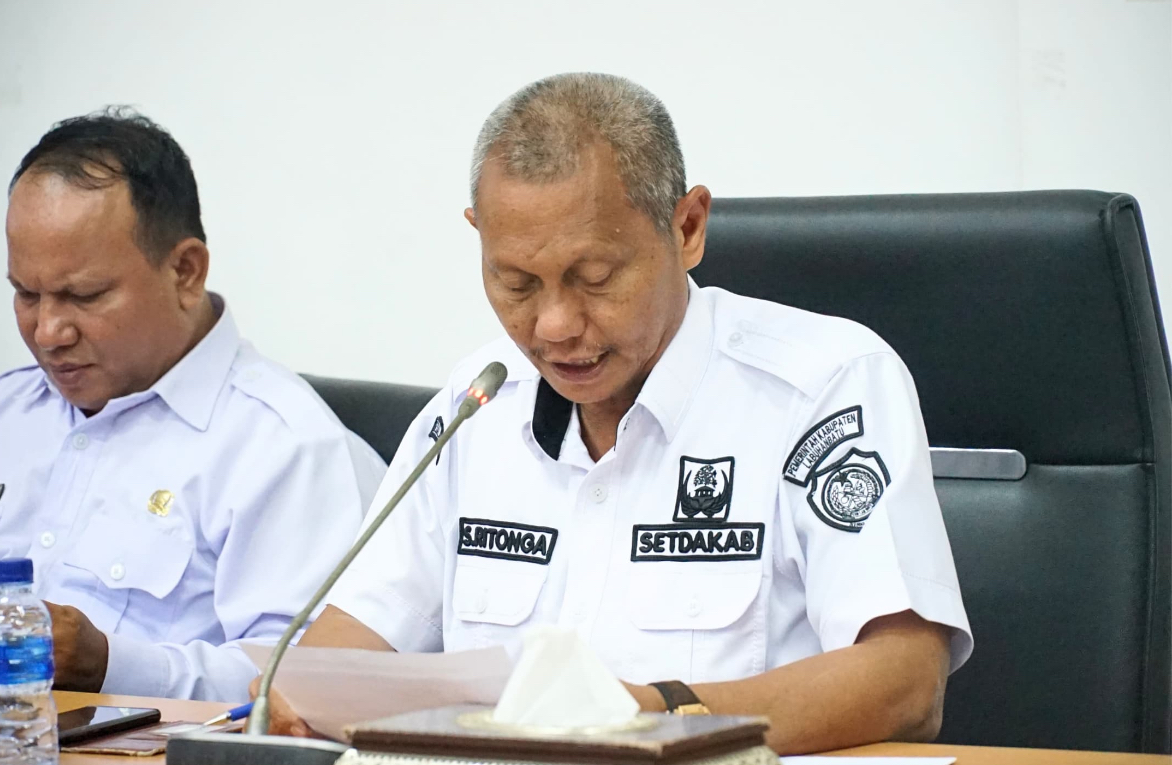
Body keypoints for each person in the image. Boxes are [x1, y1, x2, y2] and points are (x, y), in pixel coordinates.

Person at [265, 73, 973, 753]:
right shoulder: (477, 403)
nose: (553, 326)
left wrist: (656, 716)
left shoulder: (821, 386)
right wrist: (296, 694)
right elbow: (348, 645)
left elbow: (905, 681)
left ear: (687, 227)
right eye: (516, 283)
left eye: (595, 279)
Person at [0, 109, 386, 702]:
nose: (48, 331)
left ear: (185, 271)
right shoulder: (6, 412)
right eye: (26, 294)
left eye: (83, 295)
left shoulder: (286, 447)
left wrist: (109, 664)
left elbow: (302, 685)